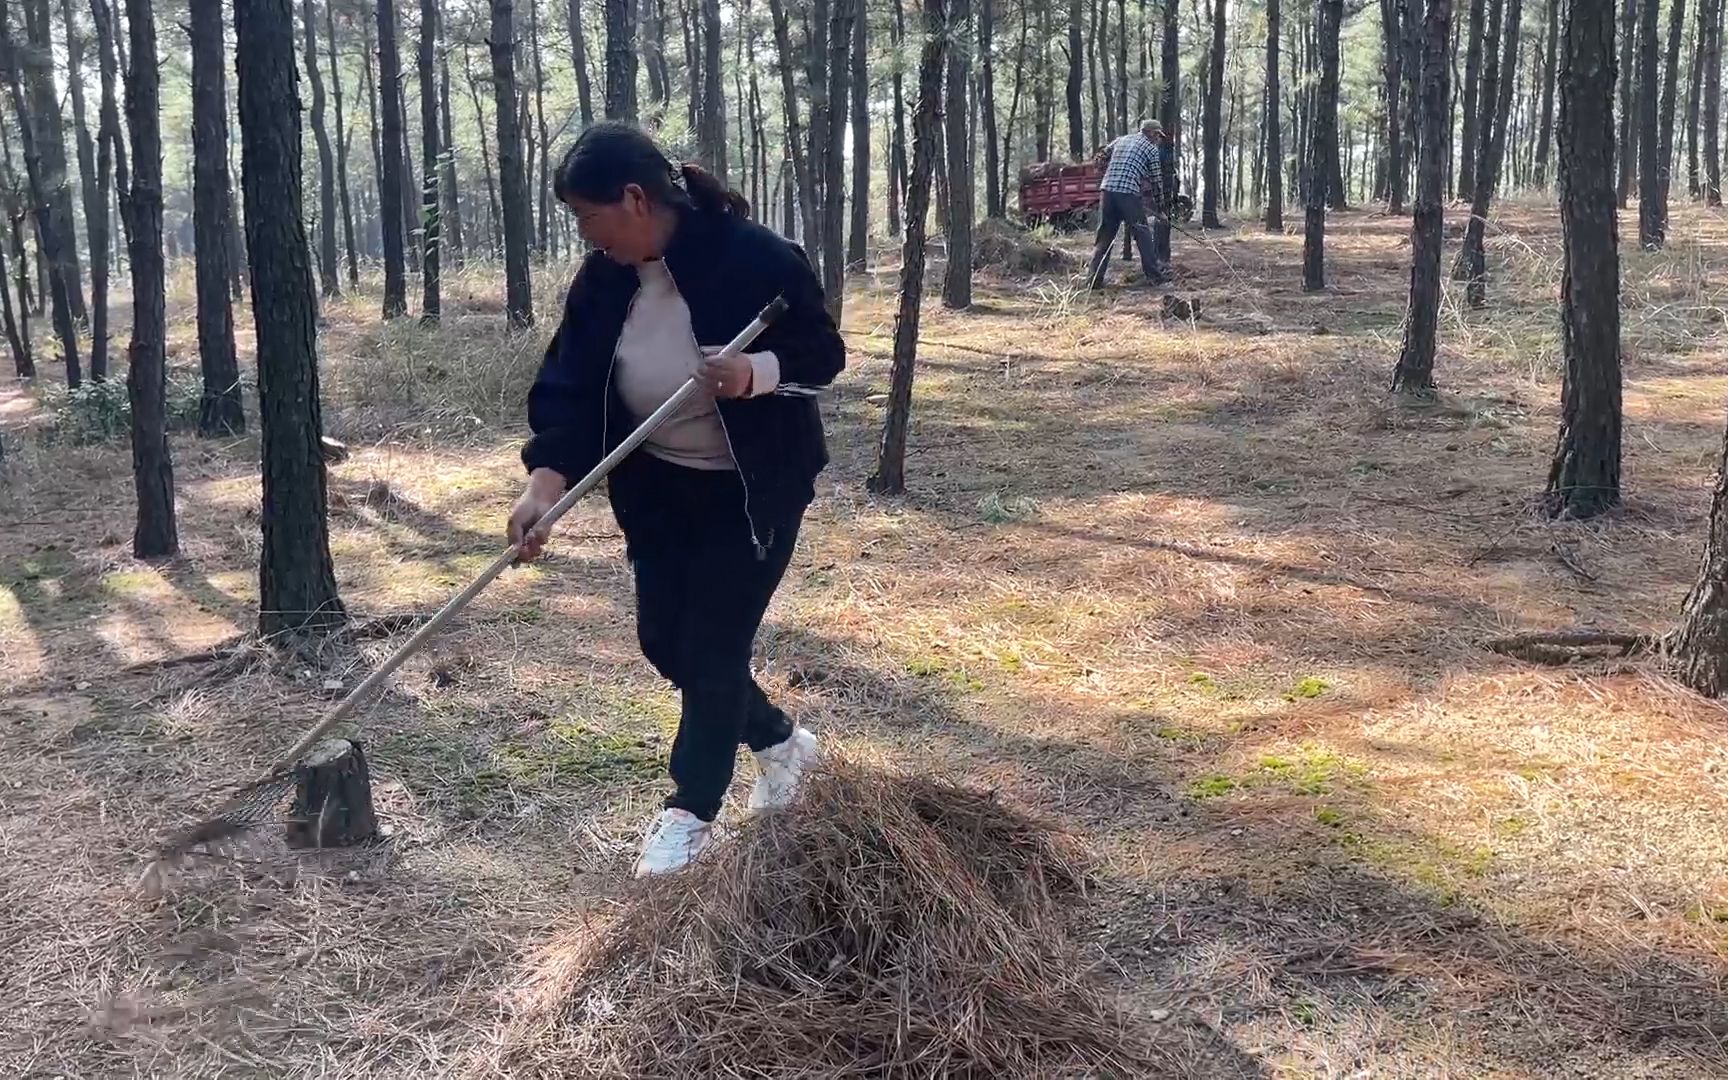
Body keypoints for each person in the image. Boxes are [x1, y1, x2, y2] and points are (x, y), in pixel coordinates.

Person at [508, 122, 846, 878]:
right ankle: (785, 746)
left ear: (634, 199)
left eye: (587, 217)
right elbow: (569, 386)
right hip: (659, 490)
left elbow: (821, 354)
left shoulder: (754, 257)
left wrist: (751, 371)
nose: (585, 235)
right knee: (666, 641)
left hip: (752, 491)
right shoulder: (604, 281)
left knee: (714, 647)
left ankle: (690, 811)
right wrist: (544, 484)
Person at [1088, 119, 1168, 289]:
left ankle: (1093, 281)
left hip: (1107, 192)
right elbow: (1156, 181)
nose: (1159, 139)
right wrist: (1161, 209)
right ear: (1152, 133)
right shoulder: (1151, 149)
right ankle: (1155, 278)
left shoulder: (1121, 140)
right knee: (1143, 235)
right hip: (1128, 194)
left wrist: (1105, 170)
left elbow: (1100, 157)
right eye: (1158, 136)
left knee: (1104, 237)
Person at [1151, 124, 1178, 270]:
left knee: (1162, 224)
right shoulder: (1157, 151)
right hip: (1159, 193)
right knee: (1159, 224)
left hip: (1165, 193)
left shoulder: (1167, 150)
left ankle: (1162, 258)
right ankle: (1158, 258)